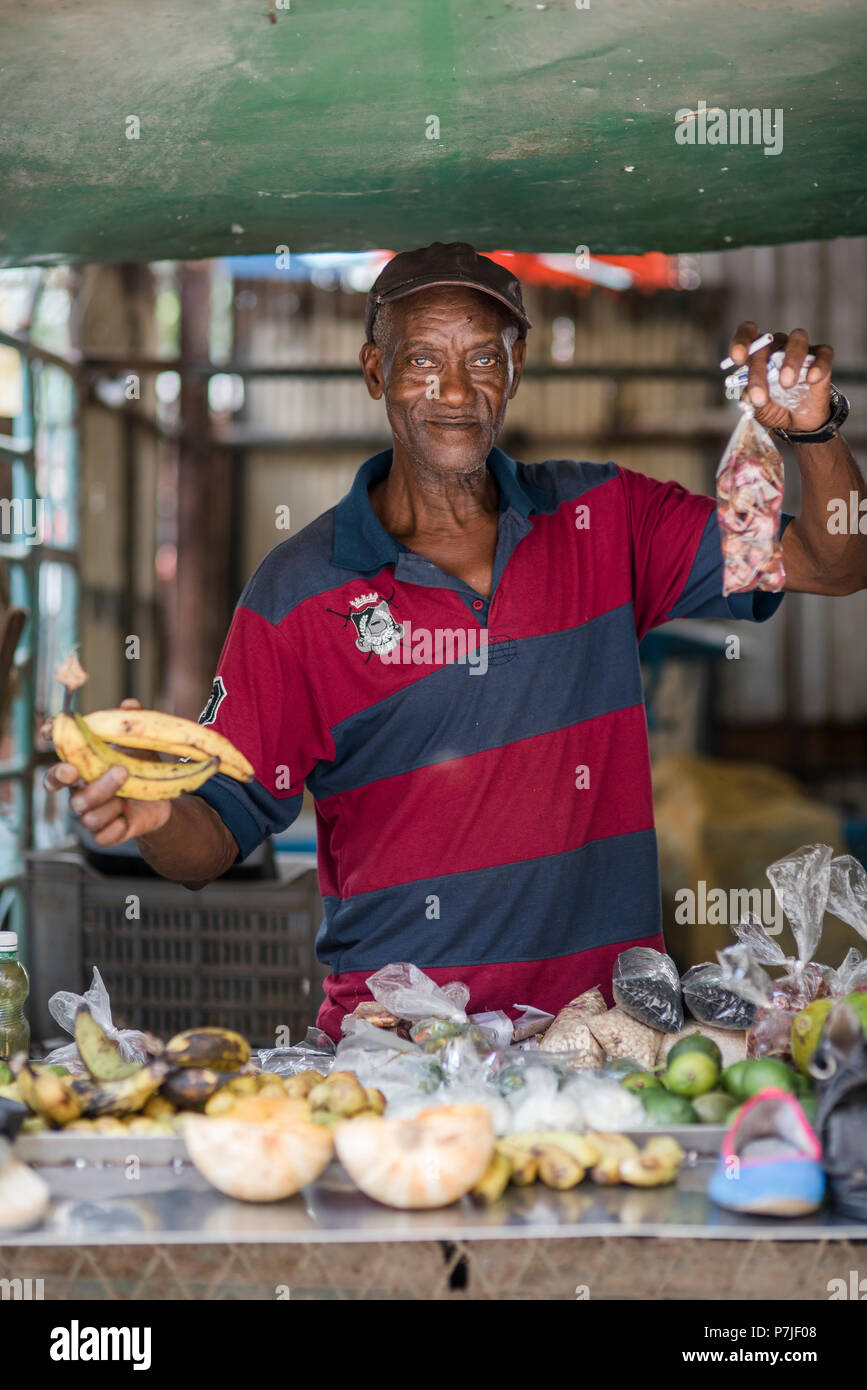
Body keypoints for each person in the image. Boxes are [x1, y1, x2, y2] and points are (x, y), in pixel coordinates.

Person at [45, 242, 867, 1040]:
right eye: (421, 359)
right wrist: (152, 816)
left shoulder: (605, 519)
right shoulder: (296, 595)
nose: (454, 389)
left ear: (514, 370)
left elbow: (834, 562)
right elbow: (212, 840)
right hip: (401, 1048)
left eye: (483, 358)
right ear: (376, 372)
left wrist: (813, 431)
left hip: (603, 1039)